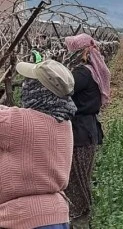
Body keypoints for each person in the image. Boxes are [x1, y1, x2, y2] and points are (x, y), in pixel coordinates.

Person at [0, 60, 77, 229]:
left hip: (23, 218)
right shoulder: (64, 122)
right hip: (56, 216)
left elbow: (11, 119)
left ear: (37, 90)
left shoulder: (18, 123)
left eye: (29, 82)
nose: (24, 85)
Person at [63, 33, 111, 228]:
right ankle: (82, 215)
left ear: (81, 52)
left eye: (72, 51)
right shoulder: (91, 70)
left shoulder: (82, 74)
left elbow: (63, 89)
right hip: (88, 129)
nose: (69, 55)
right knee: (82, 175)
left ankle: (80, 217)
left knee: (76, 176)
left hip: (80, 132)